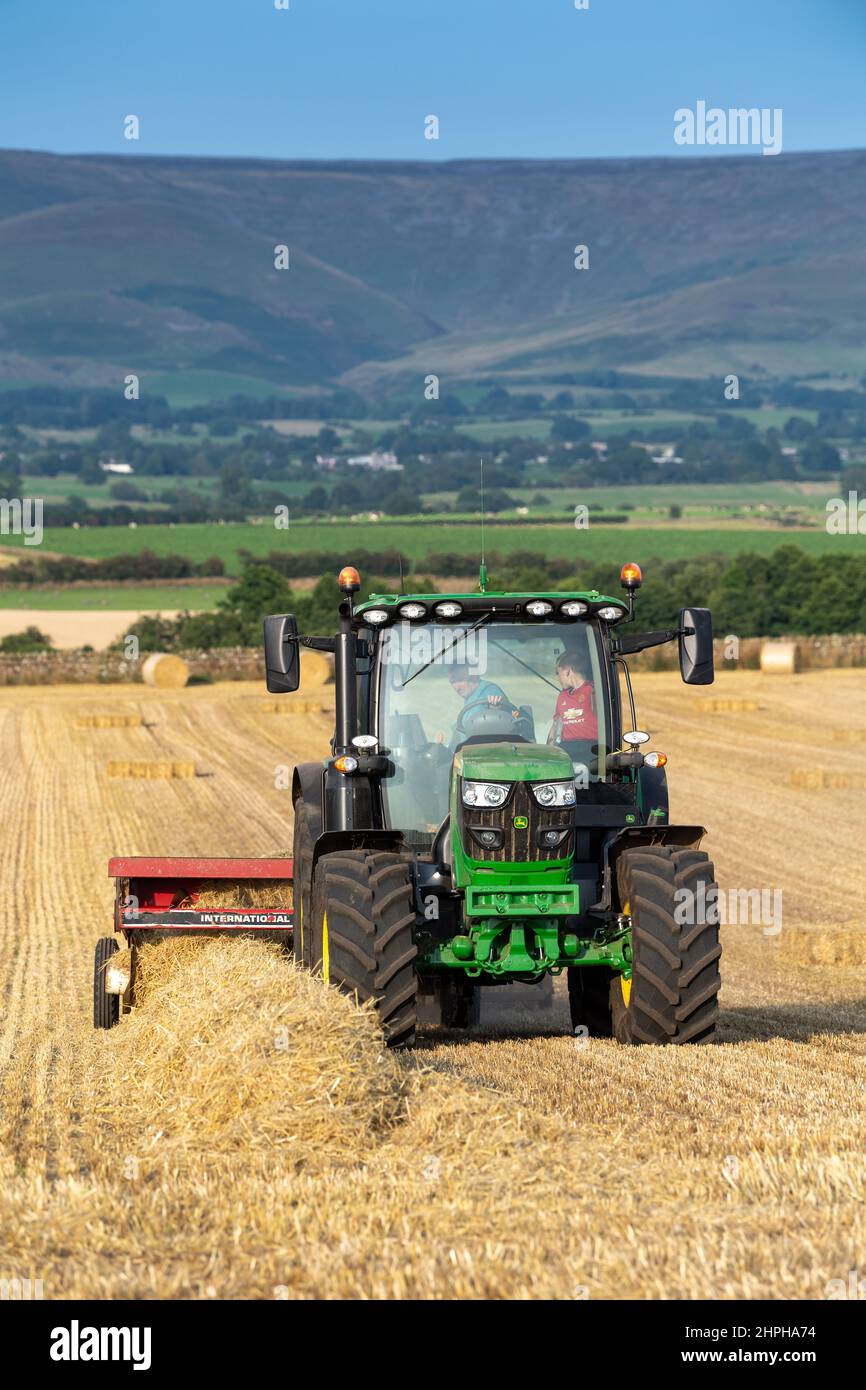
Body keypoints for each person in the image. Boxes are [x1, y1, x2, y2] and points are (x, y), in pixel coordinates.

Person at [550, 650, 598, 742]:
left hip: (590, 747)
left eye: (558, 673)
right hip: (567, 748)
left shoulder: (593, 691)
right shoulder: (562, 696)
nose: (557, 678)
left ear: (567, 671)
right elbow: (555, 727)